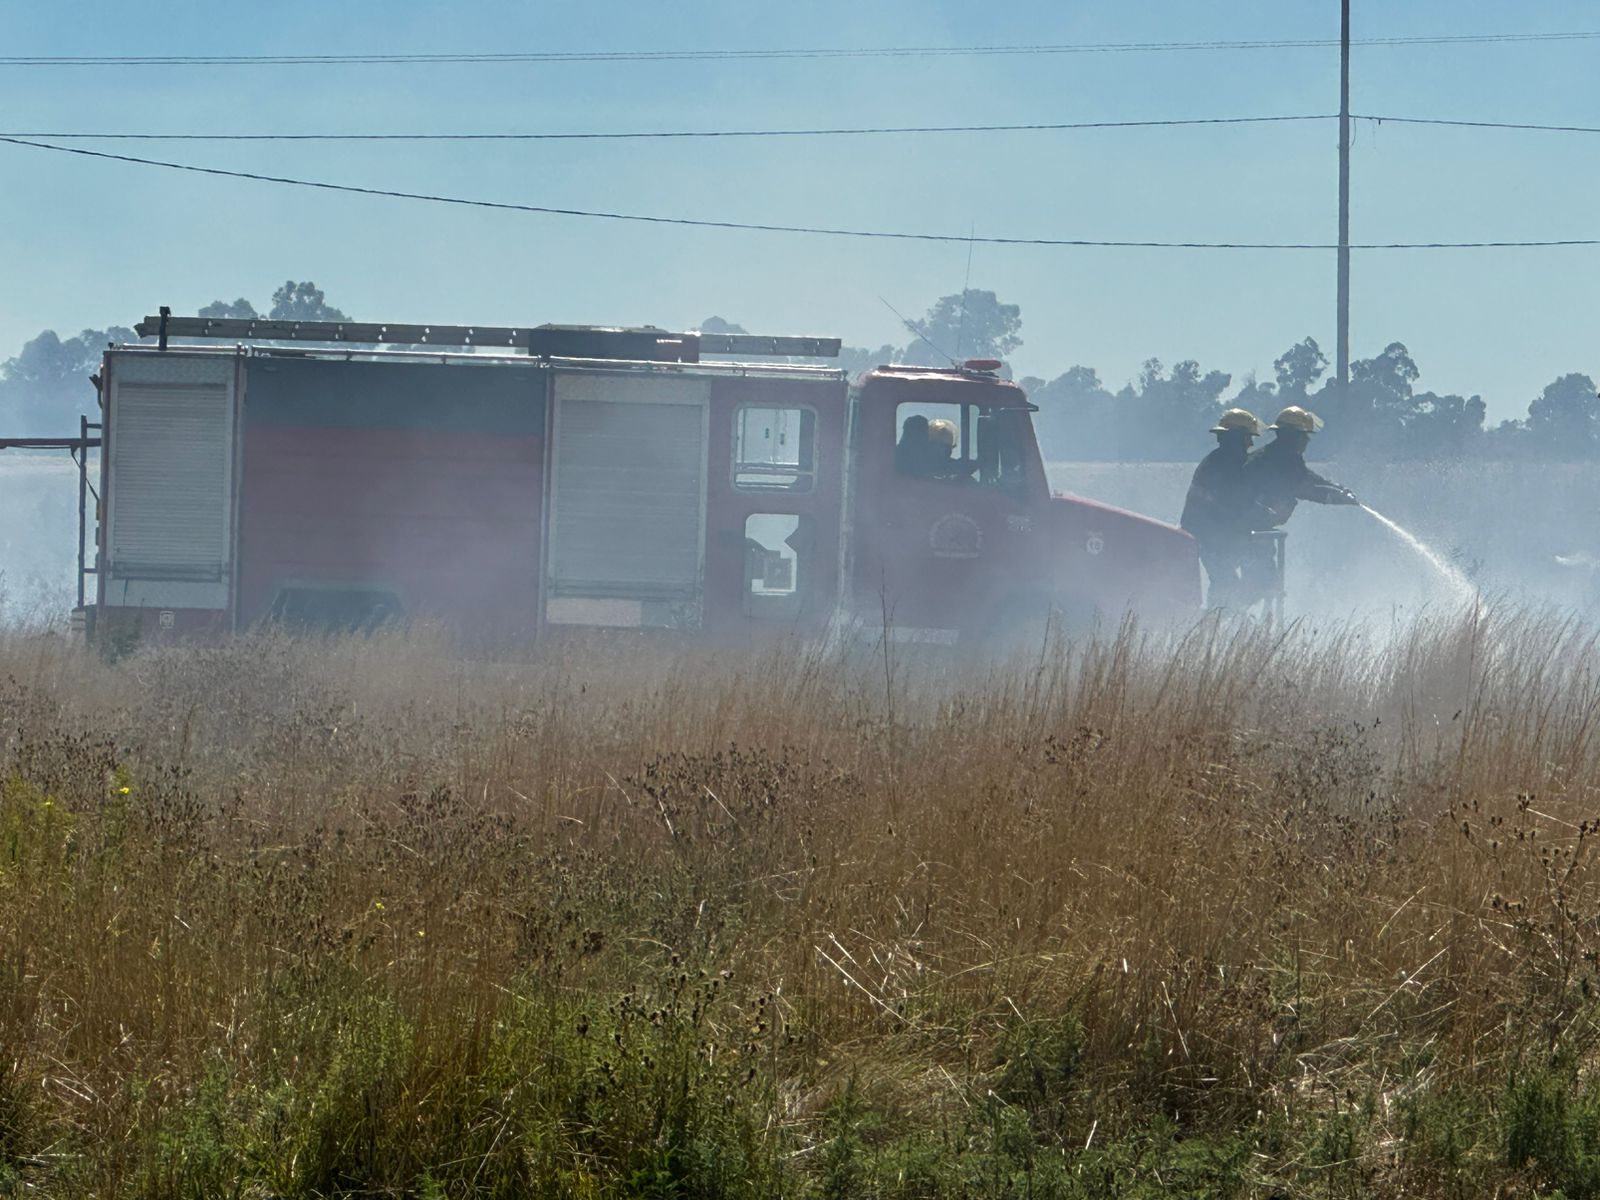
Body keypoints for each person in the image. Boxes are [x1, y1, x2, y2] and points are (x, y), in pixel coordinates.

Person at [1236, 405, 1360, 604]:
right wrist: (1332, 497)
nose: (1308, 440)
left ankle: (1236, 617)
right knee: (1262, 583)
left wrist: (1335, 487)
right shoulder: (1276, 460)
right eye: (1304, 435)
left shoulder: (1283, 455)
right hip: (1249, 530)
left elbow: (1306, 477)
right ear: (1291, 436)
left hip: (1257, 528)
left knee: (1265, 581)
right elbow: (1301, 487)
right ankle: (1226, 614)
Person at [1180, 408, 1264, 606]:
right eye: (1247, 438)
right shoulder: (1227, 463)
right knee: (1228, 584)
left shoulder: (1219, 460)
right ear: (1237, 438)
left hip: (1209, 534)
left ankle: (1221, 624)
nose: (1251, 444)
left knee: (1227, 584)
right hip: (1209, 536)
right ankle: (1217, 625)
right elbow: (1232, 501)